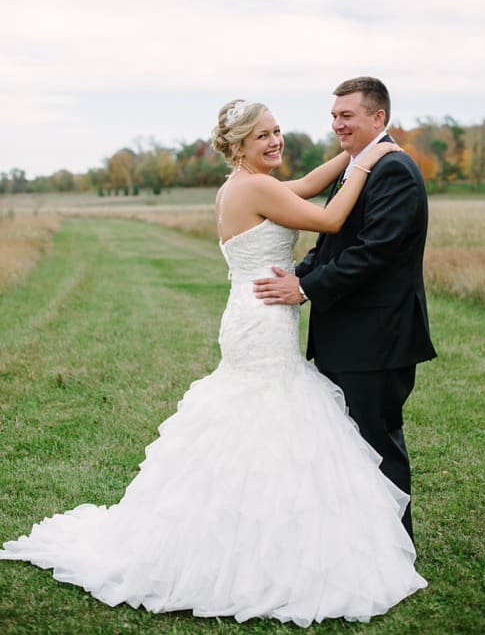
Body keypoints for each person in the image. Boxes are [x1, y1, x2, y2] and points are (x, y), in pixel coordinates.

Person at [0, 99, 427, 626]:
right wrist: (364, 161)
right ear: (240, 146)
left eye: (277, 132)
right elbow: (330, 216)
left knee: (259, 413)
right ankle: (258, 545)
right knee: (267, 411)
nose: (275, 142)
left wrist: (357, 151)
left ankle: (267, 534)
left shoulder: (241, 185)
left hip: (252, 312)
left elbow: (308, 183)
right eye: (262, 137)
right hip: (264, 316)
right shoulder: (255, 187)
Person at [253, 76, 436, 540]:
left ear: (378, 117)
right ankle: (357, 541)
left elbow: (374, 252)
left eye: (346, 115)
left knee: (377, 443)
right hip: (348, 335)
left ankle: (396, 547)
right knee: (348, 444)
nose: (336, 124)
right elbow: (334, 241)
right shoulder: (358, 165)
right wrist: (303, 270)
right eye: (334, 115)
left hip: (376, 337)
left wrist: (306, 288)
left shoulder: (392, 169)